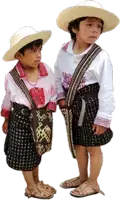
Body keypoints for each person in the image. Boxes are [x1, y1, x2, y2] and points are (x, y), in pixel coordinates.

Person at [55, 0, 119, 197]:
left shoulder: (100, 56)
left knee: (94, 148)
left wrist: (103, 118)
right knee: (78, 144)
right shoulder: (64, 51)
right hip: (74, 105)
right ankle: (82, 177)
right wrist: (60, 97)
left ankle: (93, 182)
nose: (95, 30)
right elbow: (58, 76)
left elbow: (107, 89)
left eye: (98, 26)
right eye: (89, 24)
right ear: (75, 27)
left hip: (93, 104)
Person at [1, 26, 57, 199]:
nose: (38, 55)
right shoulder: (12, 76)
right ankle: (31, 187)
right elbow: (8, 99)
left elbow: (53, 92)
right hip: (20, 117)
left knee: (37, 149)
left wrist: (51, 108)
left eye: (39, 50)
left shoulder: (46, 70)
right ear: (18, 55)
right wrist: (5, 118)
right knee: (24, 153)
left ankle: (36, 179)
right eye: (32, 51)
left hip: (41, 117)